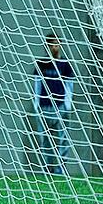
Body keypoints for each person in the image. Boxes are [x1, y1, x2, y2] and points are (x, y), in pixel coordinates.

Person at [33, 33, 74, 175]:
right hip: (45, 106)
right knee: (45, 140)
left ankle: (60, 168)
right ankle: (47, 168)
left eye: (57, 44)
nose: (55, 47)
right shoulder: (41, 64)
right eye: (52, 44)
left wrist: (67, 104)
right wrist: (36, 103)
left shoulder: (65, 65)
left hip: (60, 106)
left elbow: (70, 85)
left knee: (63, 139)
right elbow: (37, 84)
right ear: (47, 46)